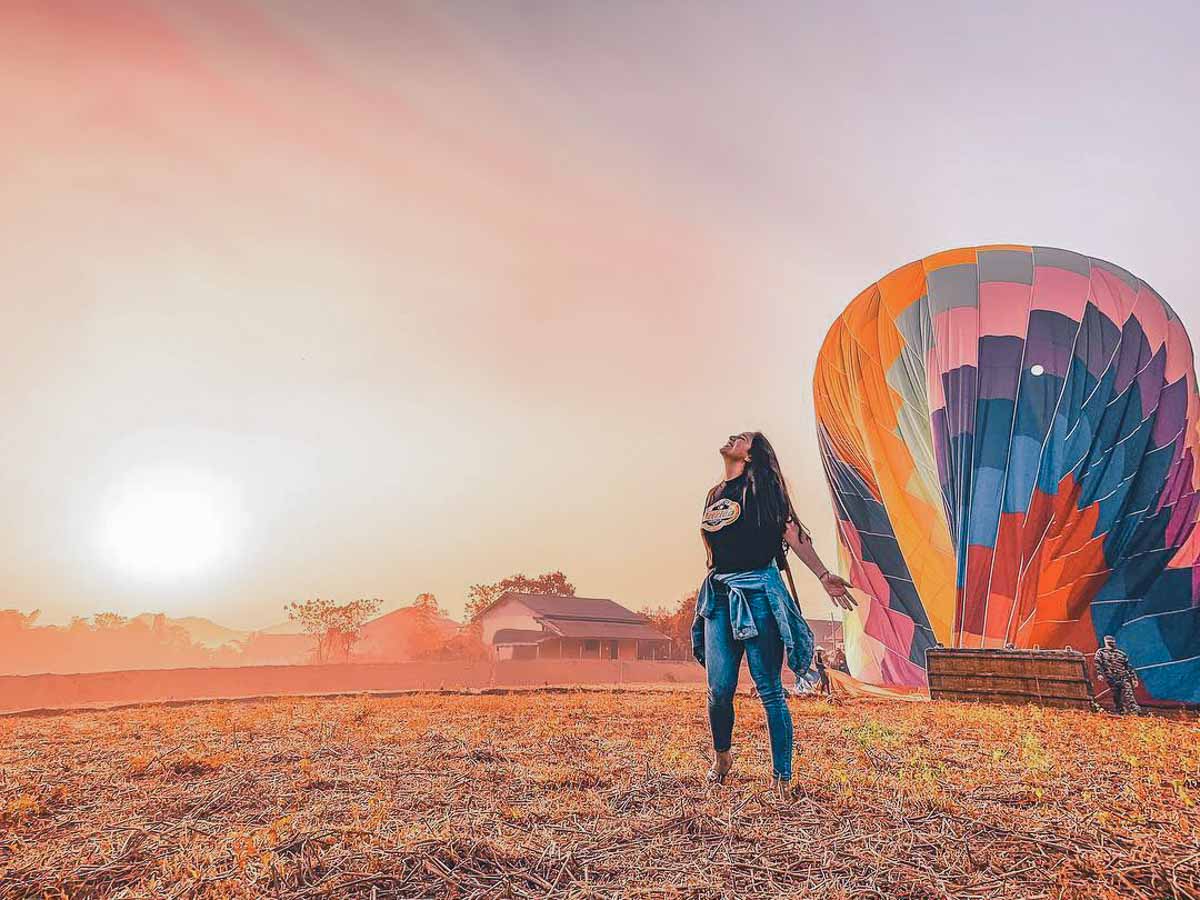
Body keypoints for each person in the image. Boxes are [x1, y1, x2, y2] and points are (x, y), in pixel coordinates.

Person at [691, 431, 856, 796]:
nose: (734, 436)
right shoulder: (713, 494)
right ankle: (722, 757)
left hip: (759, 592)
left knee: (768, 688)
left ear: (750, 455)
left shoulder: (764, 491)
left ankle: (781, 775)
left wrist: (824, 575)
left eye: (743, 438)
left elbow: (794, 536)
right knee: (719, 690)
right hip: (720, 593)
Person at [1093, 635, 1142, 716]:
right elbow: (1097, 663)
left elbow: (1128, 667)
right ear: (1105, 642)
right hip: (1112, 678)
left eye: (1112, 641)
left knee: (1129, 694)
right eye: (1109, 642)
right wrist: (1099, 674)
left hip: (1123, 677)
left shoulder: (1121, 654)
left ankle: (1135, 711)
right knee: (1117, 696)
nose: (1111, 643)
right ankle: (1121, 711)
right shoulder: (1101, 652)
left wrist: (1134, 679)